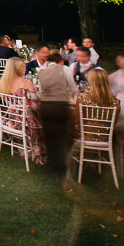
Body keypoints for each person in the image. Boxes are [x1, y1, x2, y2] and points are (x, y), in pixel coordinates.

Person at [0, 57, 45, 165]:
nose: (24, 68)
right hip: (25, 121)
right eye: (22, 67)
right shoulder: (26, 83)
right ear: (17, 68)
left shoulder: (4, 82)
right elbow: (35, 104)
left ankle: (24, 149)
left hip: (10, 118)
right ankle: (39, 152)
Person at [37, 50, 77, 180]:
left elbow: (41, 90)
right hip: (59, 106)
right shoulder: (64, 70)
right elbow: (72, 87)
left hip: (46, 106)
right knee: (62, 136)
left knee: (49, 136)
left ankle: (52, 162)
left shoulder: (42, 72)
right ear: (60, 61)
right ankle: (61, 168)